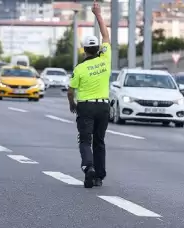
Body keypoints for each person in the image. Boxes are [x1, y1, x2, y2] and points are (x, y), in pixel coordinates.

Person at [67, 0, 111, 189]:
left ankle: (89, 167)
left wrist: (72, 104)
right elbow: (106, 35)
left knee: (86, 140)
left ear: (84, 50)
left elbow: (70, 90)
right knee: (99, 141)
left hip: (85, 107)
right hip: (103, 106)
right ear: (97, 48)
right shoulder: (106, 59)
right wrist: (98, 14)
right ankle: (99, 176)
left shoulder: (80, 68)